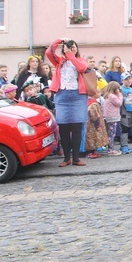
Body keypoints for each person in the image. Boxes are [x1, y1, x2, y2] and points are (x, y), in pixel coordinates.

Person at [45, 38, 89, 167]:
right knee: (63, 128)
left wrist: (70, 54)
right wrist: (59, 41)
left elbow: (81, 68)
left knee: (76, 128)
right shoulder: (59, 61)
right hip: (62, 95)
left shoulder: (80, 60)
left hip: (77, 96)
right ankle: (66, 158)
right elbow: (49, 52)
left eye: (74, 47)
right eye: (69, 47)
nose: (72, 48)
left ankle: (76, 158)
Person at [101, 82, 123, 155]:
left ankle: (109, 148)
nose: (119, 90)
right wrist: (120, 95)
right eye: (118, 89)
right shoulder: (112, 96)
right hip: (112, 117)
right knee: (111, 134)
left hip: (107, 116)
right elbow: (119, 103)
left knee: (109, 133)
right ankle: (110, 149)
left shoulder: (107, 95)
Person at [119, 72, 132, 154]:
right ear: (122, 80)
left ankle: (125, 145)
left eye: (130, 79)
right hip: (123, 112)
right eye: (126, 79)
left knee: (128, 128)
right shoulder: (120, 89)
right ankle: (124, 146)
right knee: (124, 129)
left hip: (131, 111)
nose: (128, 81)